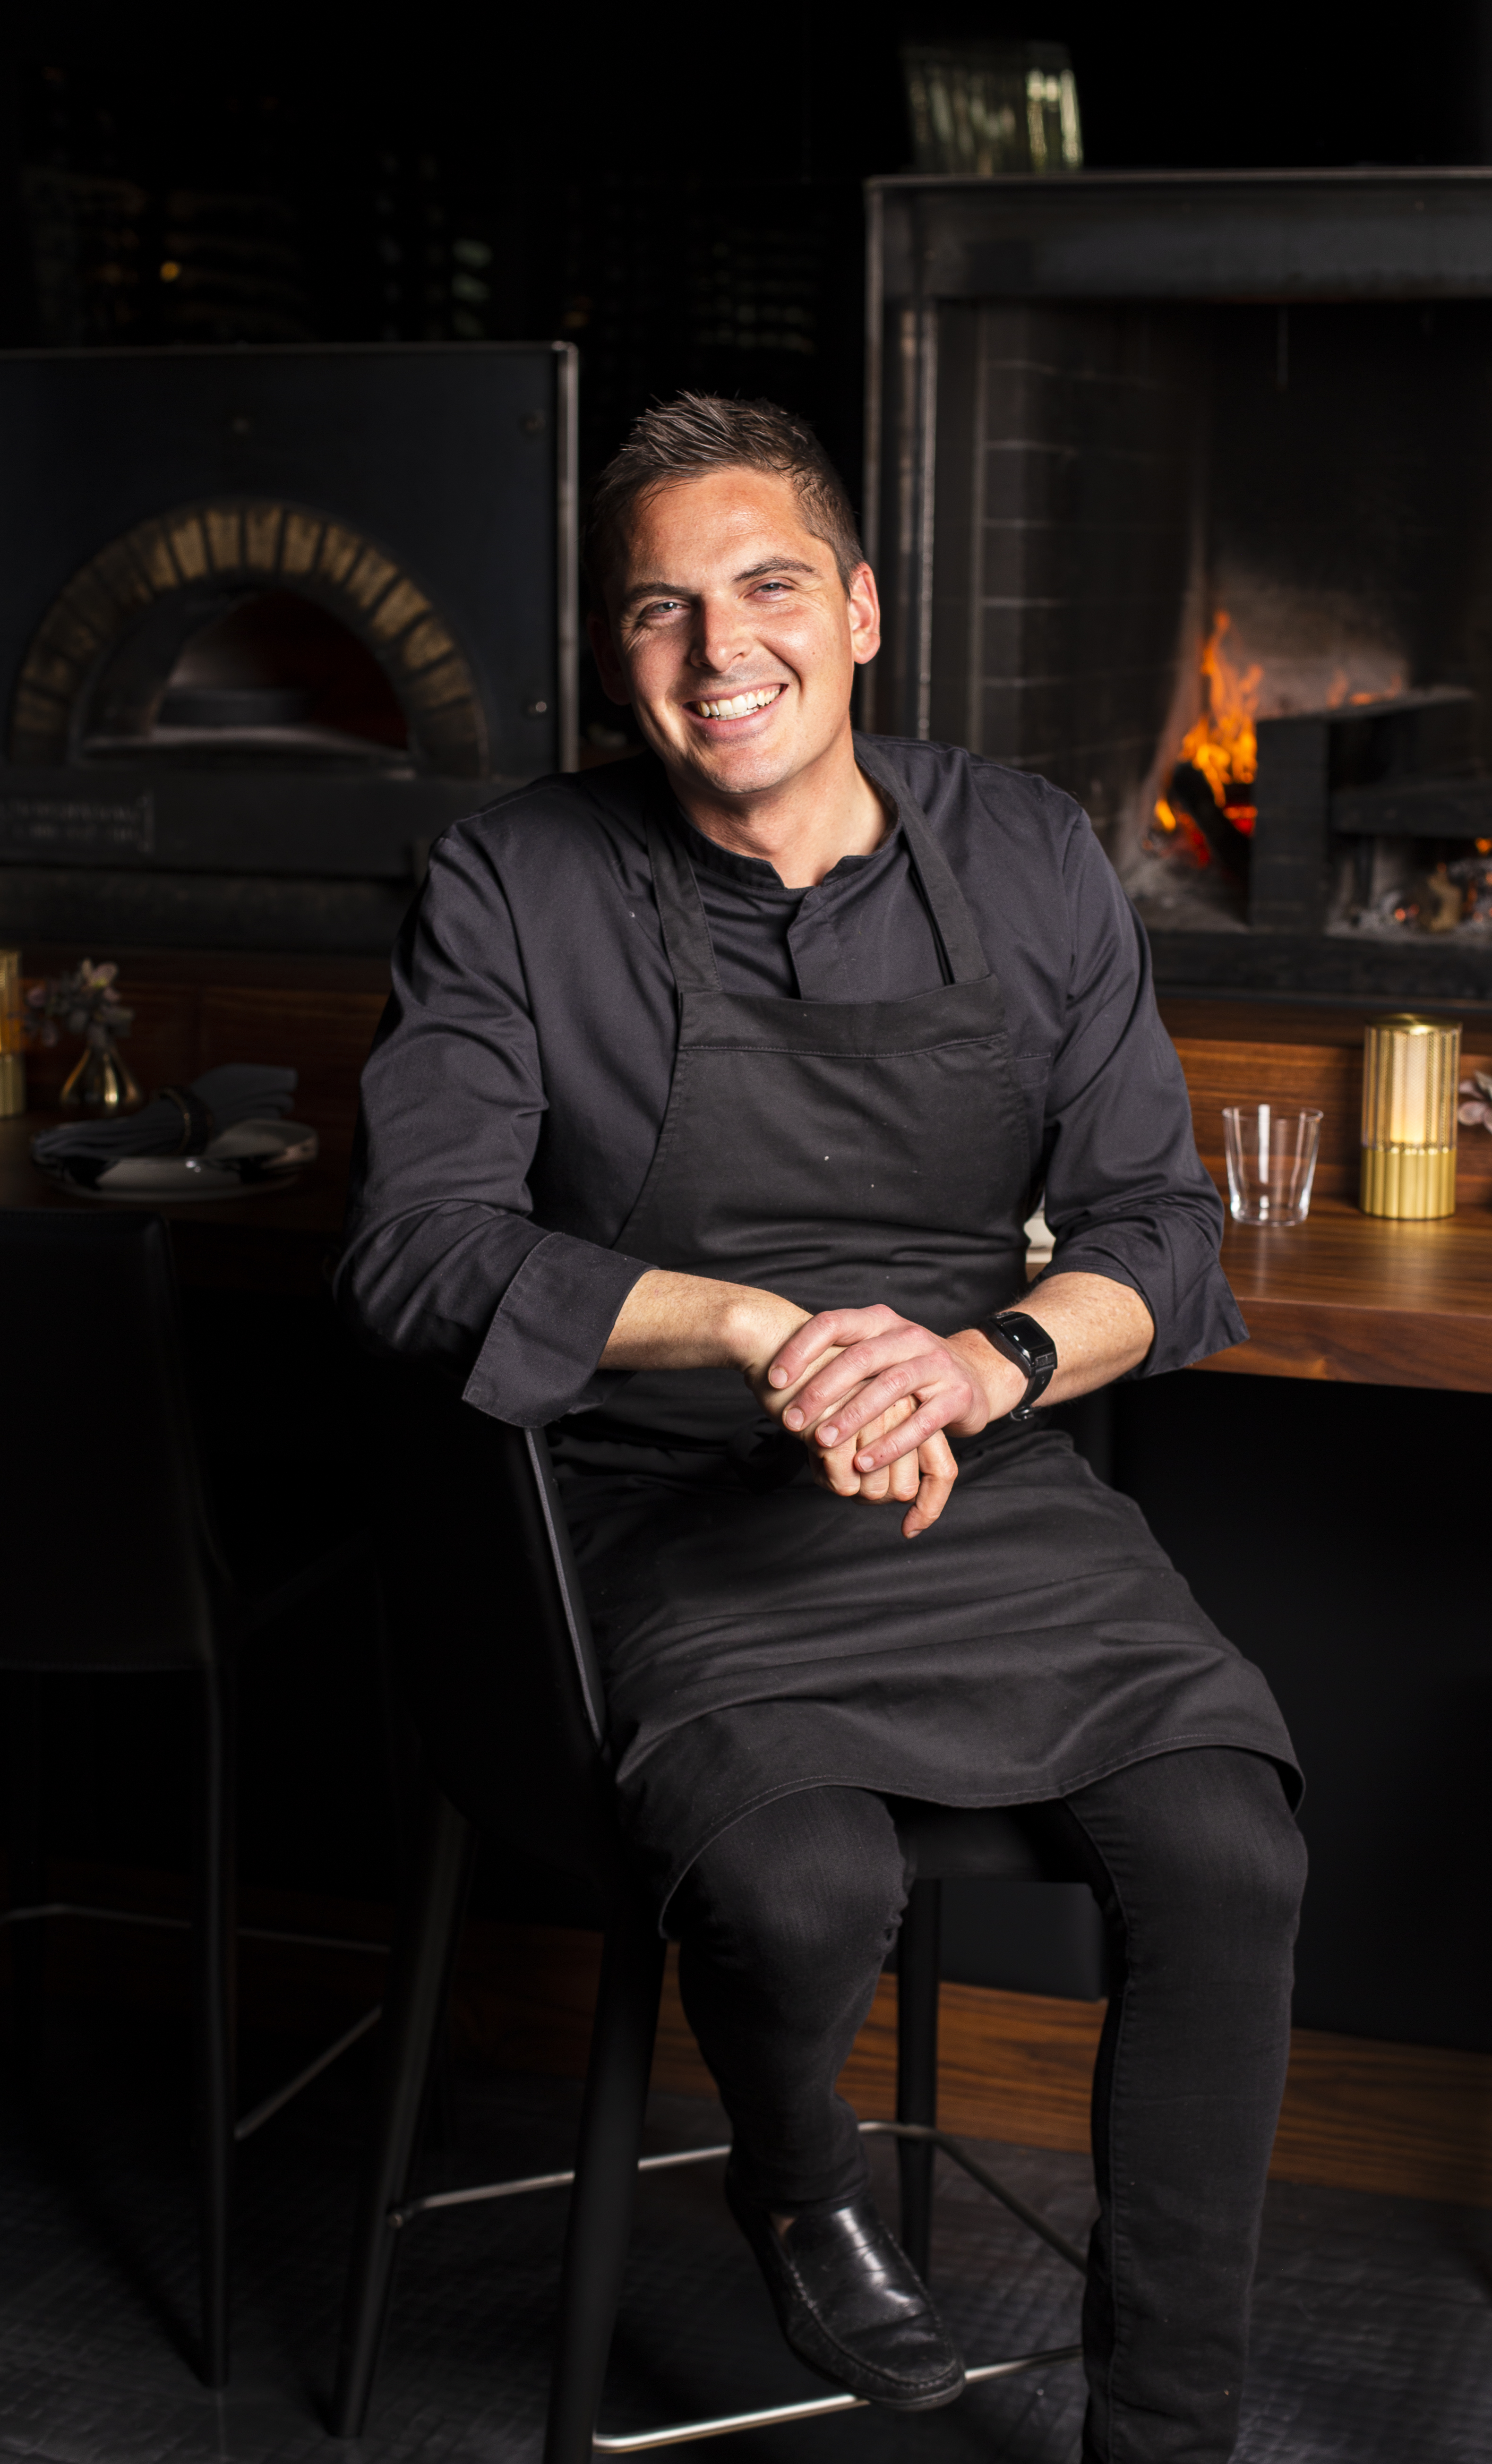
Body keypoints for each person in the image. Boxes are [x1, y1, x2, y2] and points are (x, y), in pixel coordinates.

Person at [338, 393, 1304, 2464]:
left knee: (1232, 1844)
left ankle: (1171, 2427)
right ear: (620, 653)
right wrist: (756, 1328)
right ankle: (794, 2178)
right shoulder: (514, 878)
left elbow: (1157, 1225)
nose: (719, 651)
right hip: (655, 1504)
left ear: (861, 611)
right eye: (661, 610)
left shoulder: (1033, 850)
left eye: (768, 587)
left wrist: (986, 1364)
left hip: (981, 1482)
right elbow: (415, 1250)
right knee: (791, 1881)